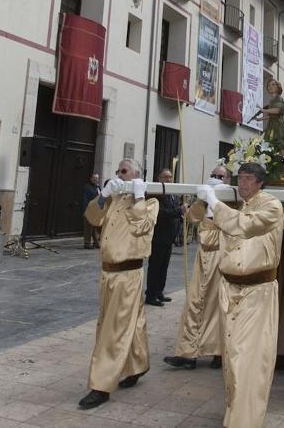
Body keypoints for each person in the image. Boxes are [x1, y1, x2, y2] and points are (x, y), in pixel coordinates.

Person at [196, 161, 283, 428]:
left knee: (249, 358)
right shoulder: (238, 208)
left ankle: (245, 421)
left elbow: (246, 227)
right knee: (233, 357)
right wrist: (206, 210)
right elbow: (209, 240)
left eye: (247, 179)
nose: (242, 184)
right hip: (230, 290)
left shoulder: (271, 206)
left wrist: (217, 204)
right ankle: (236, 413)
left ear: (260, 182)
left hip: (257, 293)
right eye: (240, 178)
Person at [78, 160, 159, 410]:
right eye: (118, 171)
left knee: (113, 328)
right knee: (129, 321)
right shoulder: (113, 199)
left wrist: (137, 197)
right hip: (107, 274)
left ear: (136, 175)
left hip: (128, 274)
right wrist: (102, 197)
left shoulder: (150, 202)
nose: (119, 175)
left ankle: (101, 385)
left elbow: (142, 225)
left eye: (124, 171)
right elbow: (92, 217)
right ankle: (137, 364)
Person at [164, 166, 228, 371]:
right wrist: (202, 200)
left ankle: (218, 352)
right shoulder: (203, 197)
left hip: (222, 257)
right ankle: (188, 353)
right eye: (214, 175)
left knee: (218, 305)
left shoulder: (232, 200)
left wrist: (215, 204)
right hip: (203, 257)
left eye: (221, 176)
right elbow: (192, 218)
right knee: (194, 303)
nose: (216, 179)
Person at [145, 169, 181, 307]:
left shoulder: (173, 194)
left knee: (163, 268)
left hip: (169, 238)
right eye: (165, 177)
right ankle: (151, 295)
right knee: (155, 267)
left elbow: (175, 211)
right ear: (159, 178)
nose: (168, 179)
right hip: (158, 237)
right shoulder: (156, 195)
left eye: (170, 177)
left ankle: (159, 291)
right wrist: (179, 211)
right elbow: (160, 214)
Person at [82, 172, 101, 249]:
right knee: (88, 227)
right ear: (91, 179)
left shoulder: (98, 187)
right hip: (89, 209)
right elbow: (85, 199)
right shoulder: (87, 187)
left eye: (97, 178)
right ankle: (87, 243)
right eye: (94, 178)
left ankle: (96, 242)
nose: (96, 179)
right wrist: (85, 210)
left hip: (97, 210)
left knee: (96, 227)